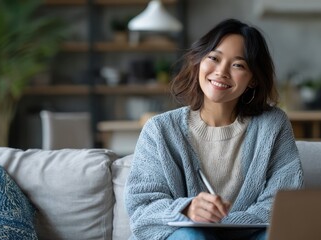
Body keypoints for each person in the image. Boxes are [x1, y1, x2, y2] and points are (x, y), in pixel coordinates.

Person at [124, 18, 304, 240]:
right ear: (199, 61)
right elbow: (142, 205)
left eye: (238, 65)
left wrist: (223, 228)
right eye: (214, 58)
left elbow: (283, 200)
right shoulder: (159, 130)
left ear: (253, 79)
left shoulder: (273, 125)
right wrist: (187, 210)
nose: (221, 72)